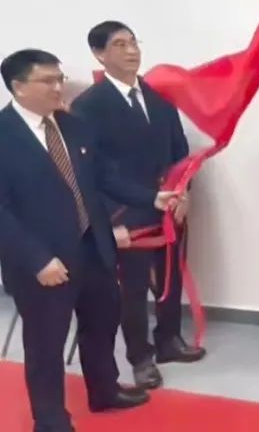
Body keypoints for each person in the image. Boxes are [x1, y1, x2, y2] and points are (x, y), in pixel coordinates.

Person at [0, 49, 179, 432]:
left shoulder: (73, 125)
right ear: (18, 87)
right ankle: (50, 420)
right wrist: (37, 260)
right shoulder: (4, 135)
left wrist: (151, 198)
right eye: (47, 80)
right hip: (43, 261)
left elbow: (102, 178)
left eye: (59, 78)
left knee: (101, 325)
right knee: (46, 344)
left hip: (92, 246)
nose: (57, 87)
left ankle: (104, 391)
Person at [70, 21, 205, 391]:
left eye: (133, 42)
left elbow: (180, 153)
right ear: (99, 54)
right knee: (131, 290)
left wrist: (184, 192)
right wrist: (107, 224)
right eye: (119, 44)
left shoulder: (159, 97)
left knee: (170, 279)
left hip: (169, 206)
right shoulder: (88, 107)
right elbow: (89, 172)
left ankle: (169, 341)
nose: (131, 51)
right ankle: (140, 358)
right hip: (124, 214)